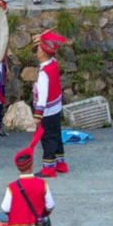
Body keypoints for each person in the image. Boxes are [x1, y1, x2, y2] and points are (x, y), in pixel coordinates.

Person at [32, 30, 69, 178]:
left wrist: (37, 115)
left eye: (39, 49)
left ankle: (48, 168)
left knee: (48, 138)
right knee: (57, 136)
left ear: (42, 54)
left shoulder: (43, 73)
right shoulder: (53, 64)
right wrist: (41, 38)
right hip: (56, 107)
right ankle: (61, 163)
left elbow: (42, 96)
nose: (37, 51)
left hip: (47, 111)